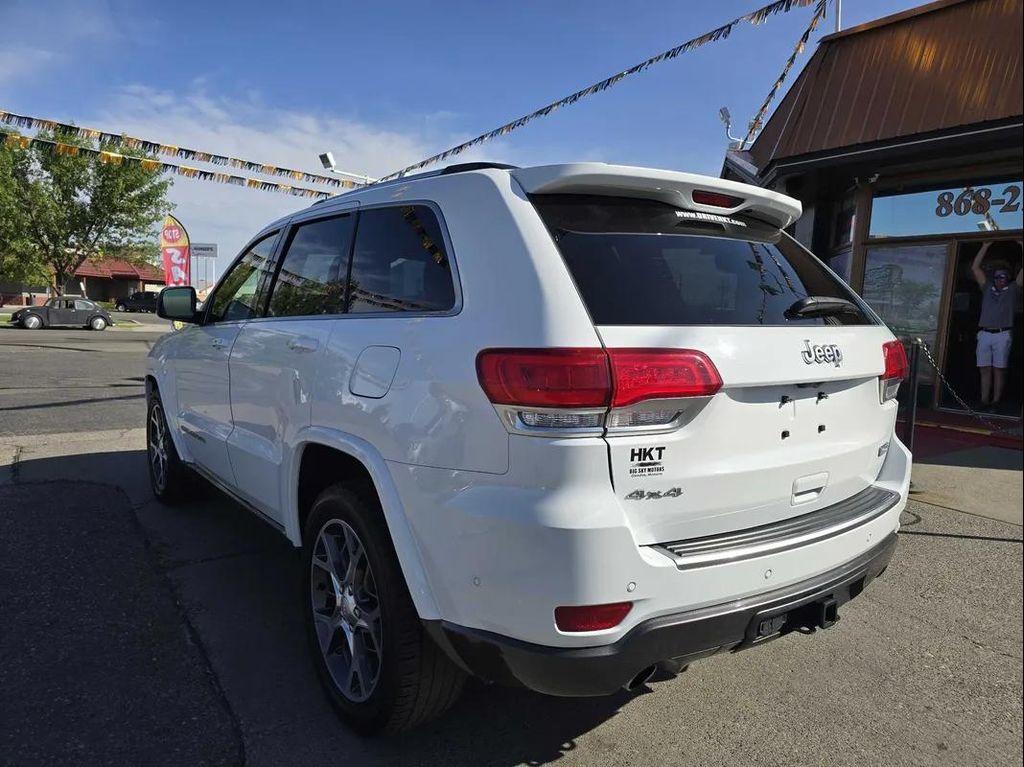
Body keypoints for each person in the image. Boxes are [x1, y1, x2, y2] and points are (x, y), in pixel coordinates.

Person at [971, 241, 1023, 411]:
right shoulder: (987, 288)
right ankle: (984, 400)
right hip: (984, 333)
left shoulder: (1013, 289)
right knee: (984, 369)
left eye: (1003, 276)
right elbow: (975, 268)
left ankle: (996, 402)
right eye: (997, 276)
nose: (1000, 279)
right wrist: (985, 246)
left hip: (1002, 333)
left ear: (1008, 278)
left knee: (999, 369)